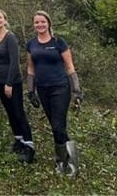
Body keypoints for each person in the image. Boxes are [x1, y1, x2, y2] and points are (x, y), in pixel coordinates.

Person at [26, 10, 83, 177]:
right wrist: (30, 91)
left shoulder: (59, 42)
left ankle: (72, 165)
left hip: (60, 88)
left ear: (49, 23)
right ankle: (61, 161)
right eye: (36, 22)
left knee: (59, 125)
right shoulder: (31, 44)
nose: (40, 25)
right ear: (33, 25)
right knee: (55, 127)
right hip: (43, 89)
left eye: (42, 22)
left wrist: (77, 90)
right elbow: (30, 68)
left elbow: (70, 67)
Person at [0, 8, 35, 163]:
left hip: (12, 82)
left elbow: (15, 62)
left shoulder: (10, 38)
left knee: (18, 112)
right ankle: (18, 140)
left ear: (5, 19)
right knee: (9, 112)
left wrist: (9, 84)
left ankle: (29, 146)